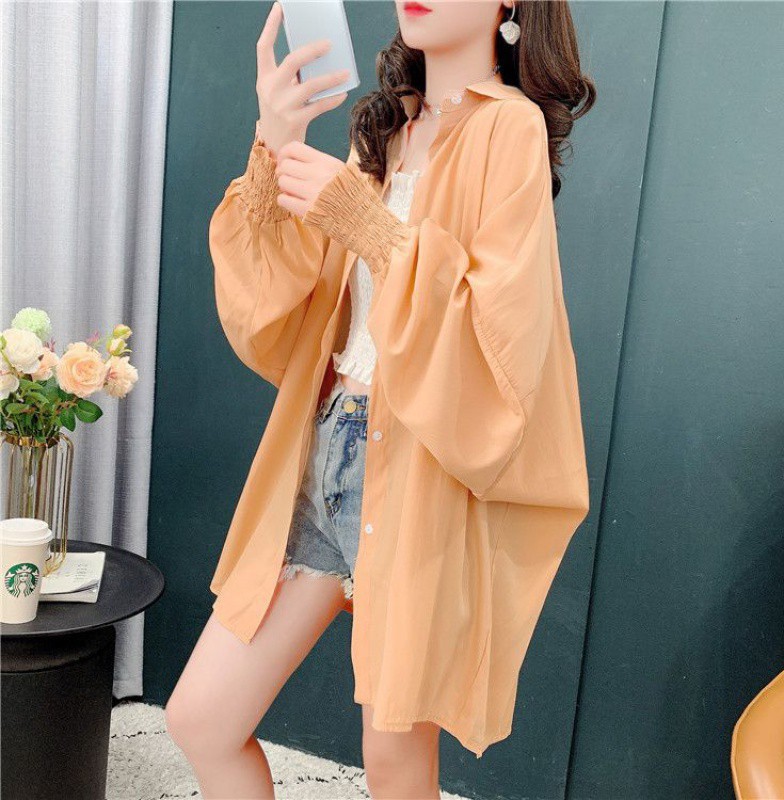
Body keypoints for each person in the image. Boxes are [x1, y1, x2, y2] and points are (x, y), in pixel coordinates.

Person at [166, 1, 596, 798]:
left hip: (419, 473)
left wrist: (365, 221)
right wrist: (275, 142)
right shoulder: (387, 129)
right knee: (201, 719)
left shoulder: (510, 130)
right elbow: (279, 304)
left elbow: (502, 335)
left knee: (394, 763)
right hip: (326, 447)